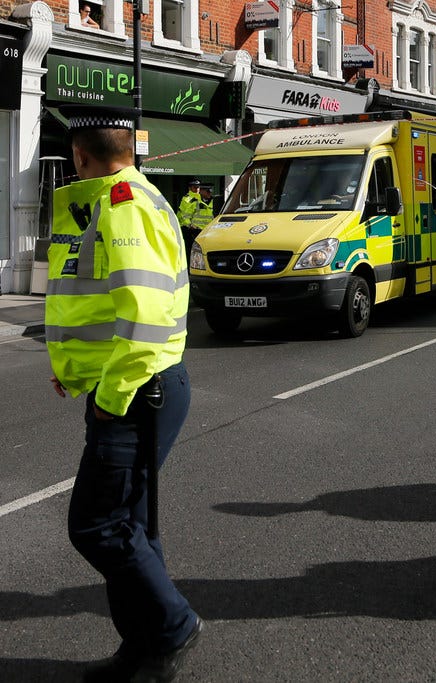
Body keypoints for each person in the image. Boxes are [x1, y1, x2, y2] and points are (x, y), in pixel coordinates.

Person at [46, 104, 202, 682]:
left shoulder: (123, 208)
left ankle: (172, 627)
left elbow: (144, 323)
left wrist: (109, 400)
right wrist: (78, 369)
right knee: (129, 529)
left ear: (81, 156)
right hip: (137, 384)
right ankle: (143, 651)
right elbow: (110, 306)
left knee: (98, 526)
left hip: (138, 392)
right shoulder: (140, 198)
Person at [177, 178, 202, 251]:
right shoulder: (187, 199)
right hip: (187, 228)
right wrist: (189, 225)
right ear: (190, 188)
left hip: (196, 228)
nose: (197, 189)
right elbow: (183, 214)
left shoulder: (199, 198)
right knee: (189, 249)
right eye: (195, 187)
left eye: (198, 187)